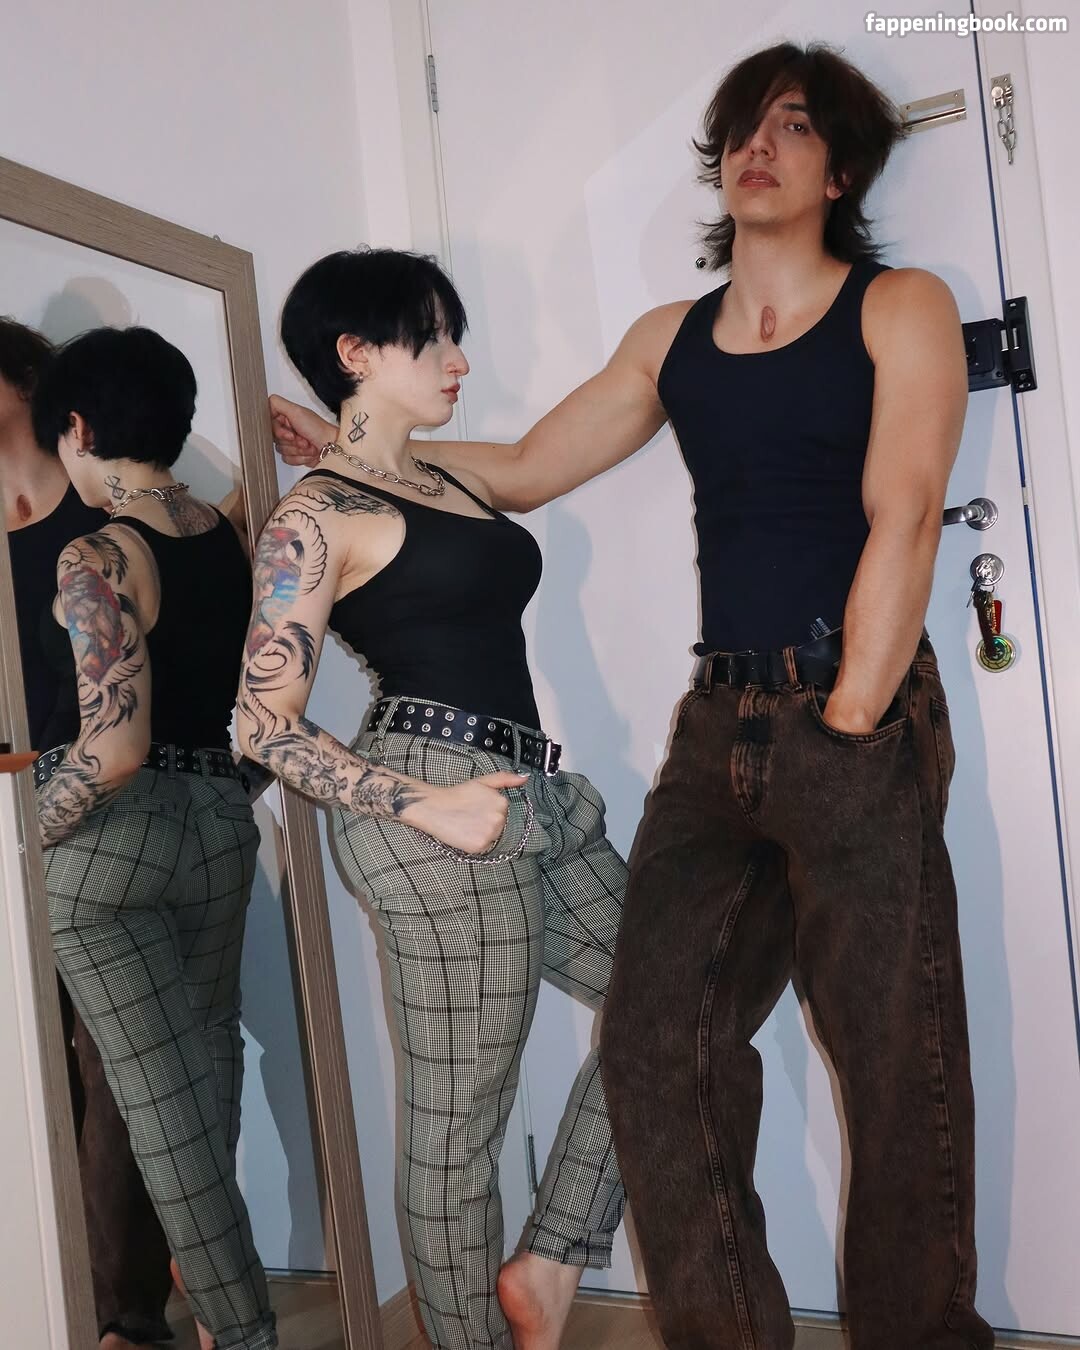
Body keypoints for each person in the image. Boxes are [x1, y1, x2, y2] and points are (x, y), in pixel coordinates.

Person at [270, 41, 993, 1350]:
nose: (758, 147)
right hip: (716, 729)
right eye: (742, 127)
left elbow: (908, 513)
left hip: (858, 705)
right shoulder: (671, 339)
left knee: (895, 1057)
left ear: (842, 168)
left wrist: (849, 721)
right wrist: (353, 450)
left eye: (793, 126)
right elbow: (527, 467)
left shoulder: (900, 306)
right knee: (660, 1041)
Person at [238, 247, 627, 1350]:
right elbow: (262, 723)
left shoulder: (445, 480)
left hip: (533, 792)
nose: (460, 359)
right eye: (435, 337)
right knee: (462, 1123)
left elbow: (534, 463)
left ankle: (551, 1258)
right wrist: (424, 806)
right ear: (357, 352)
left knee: (678, 994)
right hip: (430, 803)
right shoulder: (315, 516)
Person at [32, 326, 277, 1350]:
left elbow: (114, 746)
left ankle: (244, 1328)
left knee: (159, 1109)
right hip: (219, 819)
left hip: (112, 843)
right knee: (204, 1074)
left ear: (78, 427)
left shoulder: (96, 553)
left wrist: (25, 838)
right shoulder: (231, 540)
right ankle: (221, 1316)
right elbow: (259, 712)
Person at [0, 316, 174, 1350]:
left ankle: (124, 1314)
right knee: (33, 1069)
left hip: (120, 813)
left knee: (123, 1070)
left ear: (28, 384)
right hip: (14, 819)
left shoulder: (103, 502)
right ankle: (48, 1298)